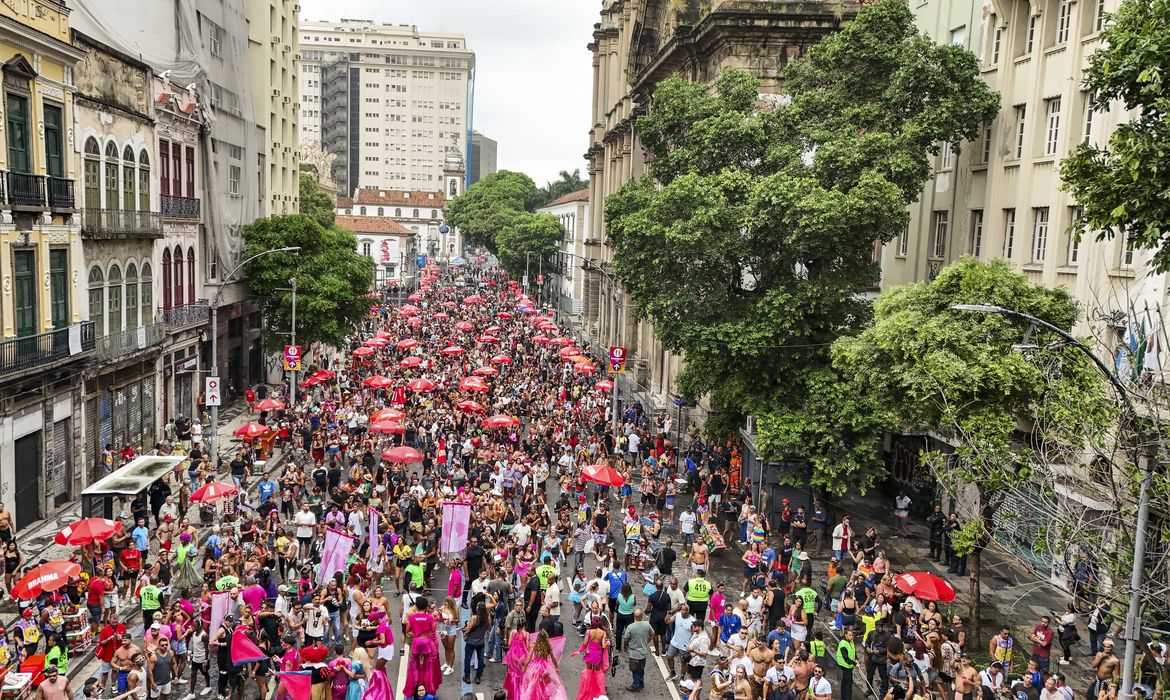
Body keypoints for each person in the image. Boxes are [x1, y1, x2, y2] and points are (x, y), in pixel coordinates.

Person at [402, 596, 441, 697]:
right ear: (426, 607)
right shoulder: (429, 617)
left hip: (416, 642)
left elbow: (407, 630)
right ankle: (429, 688)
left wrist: (416, 632)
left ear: (416, 606)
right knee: (428, 666)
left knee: (414, 666)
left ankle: (413, 687)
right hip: (427, 643)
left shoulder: (412, 617)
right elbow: (433, 629)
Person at [520, 630, 570, 700]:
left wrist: (525, 667)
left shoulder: (534, 645)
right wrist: (556, 667)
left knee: (534, 684)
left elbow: (529, 657)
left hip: (536, 667)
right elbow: (553, 658)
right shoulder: (548, 646)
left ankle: (535, 697)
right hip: (546, 668)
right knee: (545, 685)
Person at [570, 616, 609, 700]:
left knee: (589, 671)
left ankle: (587, 689)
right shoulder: (603, 632)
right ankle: (597, 690)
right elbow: (603, 645)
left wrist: (580, 651)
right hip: (598, 654)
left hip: (590, 653)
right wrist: (607, 643)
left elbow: (585, 643)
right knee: (597, 672)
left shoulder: (589, 631)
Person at [622, 608, 653, 692]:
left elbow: (626, 638)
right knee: (641, 669)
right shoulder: (647, 625)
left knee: (634, 670)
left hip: (634, 654)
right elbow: (652, 634)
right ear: (642, 616)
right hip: (643, 653)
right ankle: (641, 682)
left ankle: (636, 685)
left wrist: (625, 646)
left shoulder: (630, 627)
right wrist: (646, 641)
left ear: (634, 616)